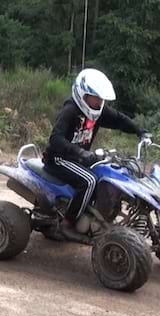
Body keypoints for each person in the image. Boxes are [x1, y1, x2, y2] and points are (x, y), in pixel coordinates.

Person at [43, 68, 149, 227]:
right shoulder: (70, 111)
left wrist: (140, 132)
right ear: (82, 94)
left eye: (101, 99)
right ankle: (67, 223)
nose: (98, 102)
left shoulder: (99, 111)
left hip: (78, 159)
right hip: (58, 159)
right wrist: (79, 152)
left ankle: (95, 216)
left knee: (107, 176)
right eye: (95, 98)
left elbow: (119, 119)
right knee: (89, 181)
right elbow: (55, 139)